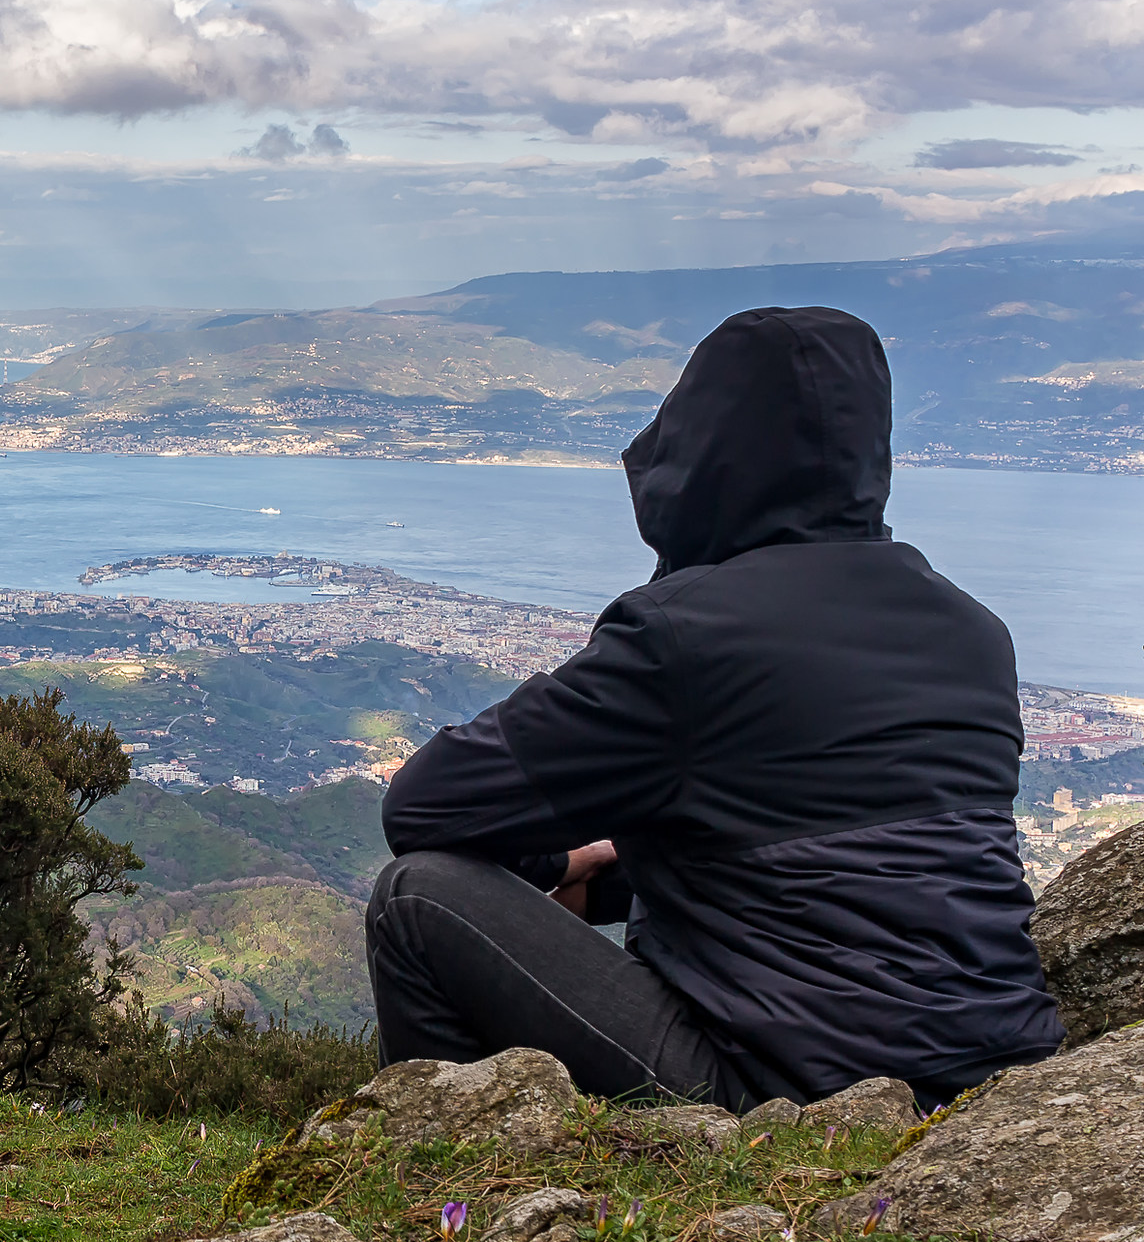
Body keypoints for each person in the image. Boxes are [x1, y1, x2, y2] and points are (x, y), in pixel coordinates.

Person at [369, 306, 1064, 1113]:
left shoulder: (686, 634)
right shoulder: (974, 633)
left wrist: (557, 863)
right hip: (994, 1074)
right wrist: (612, 878)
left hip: (783, 1085)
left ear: (702, 445)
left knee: (415, 896)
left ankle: (453, 1160)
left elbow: (424, 805)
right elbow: (842, 855)